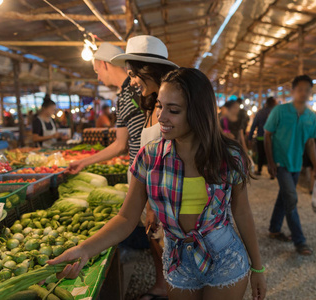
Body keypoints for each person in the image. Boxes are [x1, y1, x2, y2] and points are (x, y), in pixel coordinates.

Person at [48, 68, 267, 300]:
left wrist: (258, 268)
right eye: (160, 106)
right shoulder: (149, 157)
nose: (161, 117)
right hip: (178, 260)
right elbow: (125, 218)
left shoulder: (229, 156)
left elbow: (241, 211)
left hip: (225, 257)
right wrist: (84, 249)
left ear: (199, 112)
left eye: (173, 110)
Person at [111, 35, 178, 300]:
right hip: (148, 188)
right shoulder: (150, 102)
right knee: (156, 244)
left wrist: (152, 205)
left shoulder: (168, 106)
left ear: (147, 70)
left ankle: (175, 291)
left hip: (162, 193)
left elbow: (169, 156)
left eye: (133, 74)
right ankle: (164, 287)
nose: (131, 81)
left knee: (169, 250)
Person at [264, 75, 316, 256]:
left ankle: (274, 229)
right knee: (291, 198)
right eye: (300, 89)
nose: (304, 93)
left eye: (307, 90)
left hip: (297, 164)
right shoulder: (279, 111)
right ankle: (300, 241)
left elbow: (311, 143)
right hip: (280, 163)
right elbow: (267, 135)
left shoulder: (311, 116)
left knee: (285, 196)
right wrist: (270, 161)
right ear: (293, 91)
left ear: (311, 93)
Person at [66, 42, 144, 174]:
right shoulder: (121, 99)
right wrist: (83, 162)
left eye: (97, 71)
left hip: (149, 169)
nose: (98, 77)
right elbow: (119, 145)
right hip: (137, 169)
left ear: (104, 64)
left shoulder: (139, 89)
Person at [248, 96, 276, 176]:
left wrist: (250, 137)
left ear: (266, 103)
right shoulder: (274, 112)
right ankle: (272, 173)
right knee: (271, 155)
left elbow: (254, 125)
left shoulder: (260, 112)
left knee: (261, 154)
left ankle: (259, 170)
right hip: (272, 138)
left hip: (260, 137)